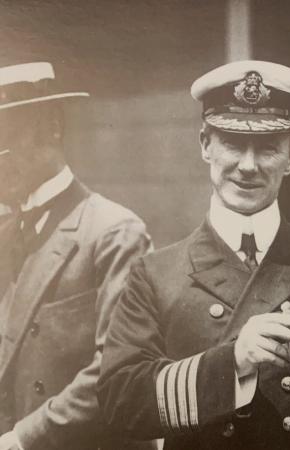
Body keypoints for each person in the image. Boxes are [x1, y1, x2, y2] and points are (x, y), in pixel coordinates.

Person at [97, 60, 290, 450]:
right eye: (231, 142)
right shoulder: (155, 275)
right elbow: (120, 401)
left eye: (267, 147)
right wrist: (233, 363)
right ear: (205, 145)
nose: (248, 165)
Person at [0, 62, 153, 450]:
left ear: (52, 126)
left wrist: (22, 439)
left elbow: (116, 370)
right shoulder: (4, 233)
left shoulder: (113, 232)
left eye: (5, 139)